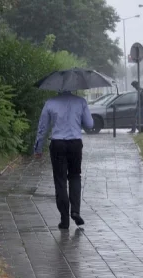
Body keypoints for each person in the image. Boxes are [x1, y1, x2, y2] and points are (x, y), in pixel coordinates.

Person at [34, 91, 94, 229]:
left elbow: (43, 127)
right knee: (75, 176)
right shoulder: (81, 102)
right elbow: (90, 124)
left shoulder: (50, 103)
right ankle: (75, 211)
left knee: (60, 179)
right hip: (75, 144)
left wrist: (38, 148)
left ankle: (64, 219)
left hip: (57, 144)